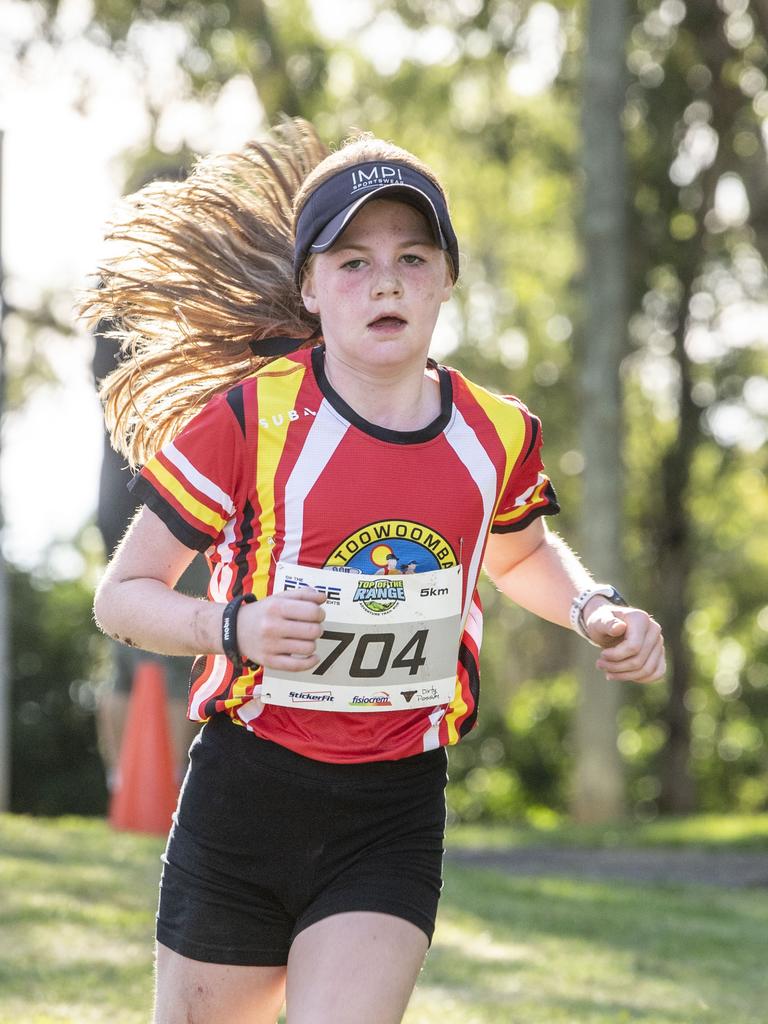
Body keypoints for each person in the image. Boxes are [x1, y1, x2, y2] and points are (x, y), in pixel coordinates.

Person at [83, 119, 665, 1024]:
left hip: (391, 808)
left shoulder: (497, 434)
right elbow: (121, 598)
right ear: (310, 287)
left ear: (444, 282)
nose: (384, 278)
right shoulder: (250, 422)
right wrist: (230, 626)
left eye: (412, 256)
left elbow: (518, 555)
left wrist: (592, 606)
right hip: (248, 795)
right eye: (351, 261)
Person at [92, 324, 207, 789]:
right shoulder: (187, 339)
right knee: (175, 643)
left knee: (126, 647)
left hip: (117, 498)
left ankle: (125, 782)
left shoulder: (109, 326)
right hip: (168, 500)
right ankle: (160, 786)